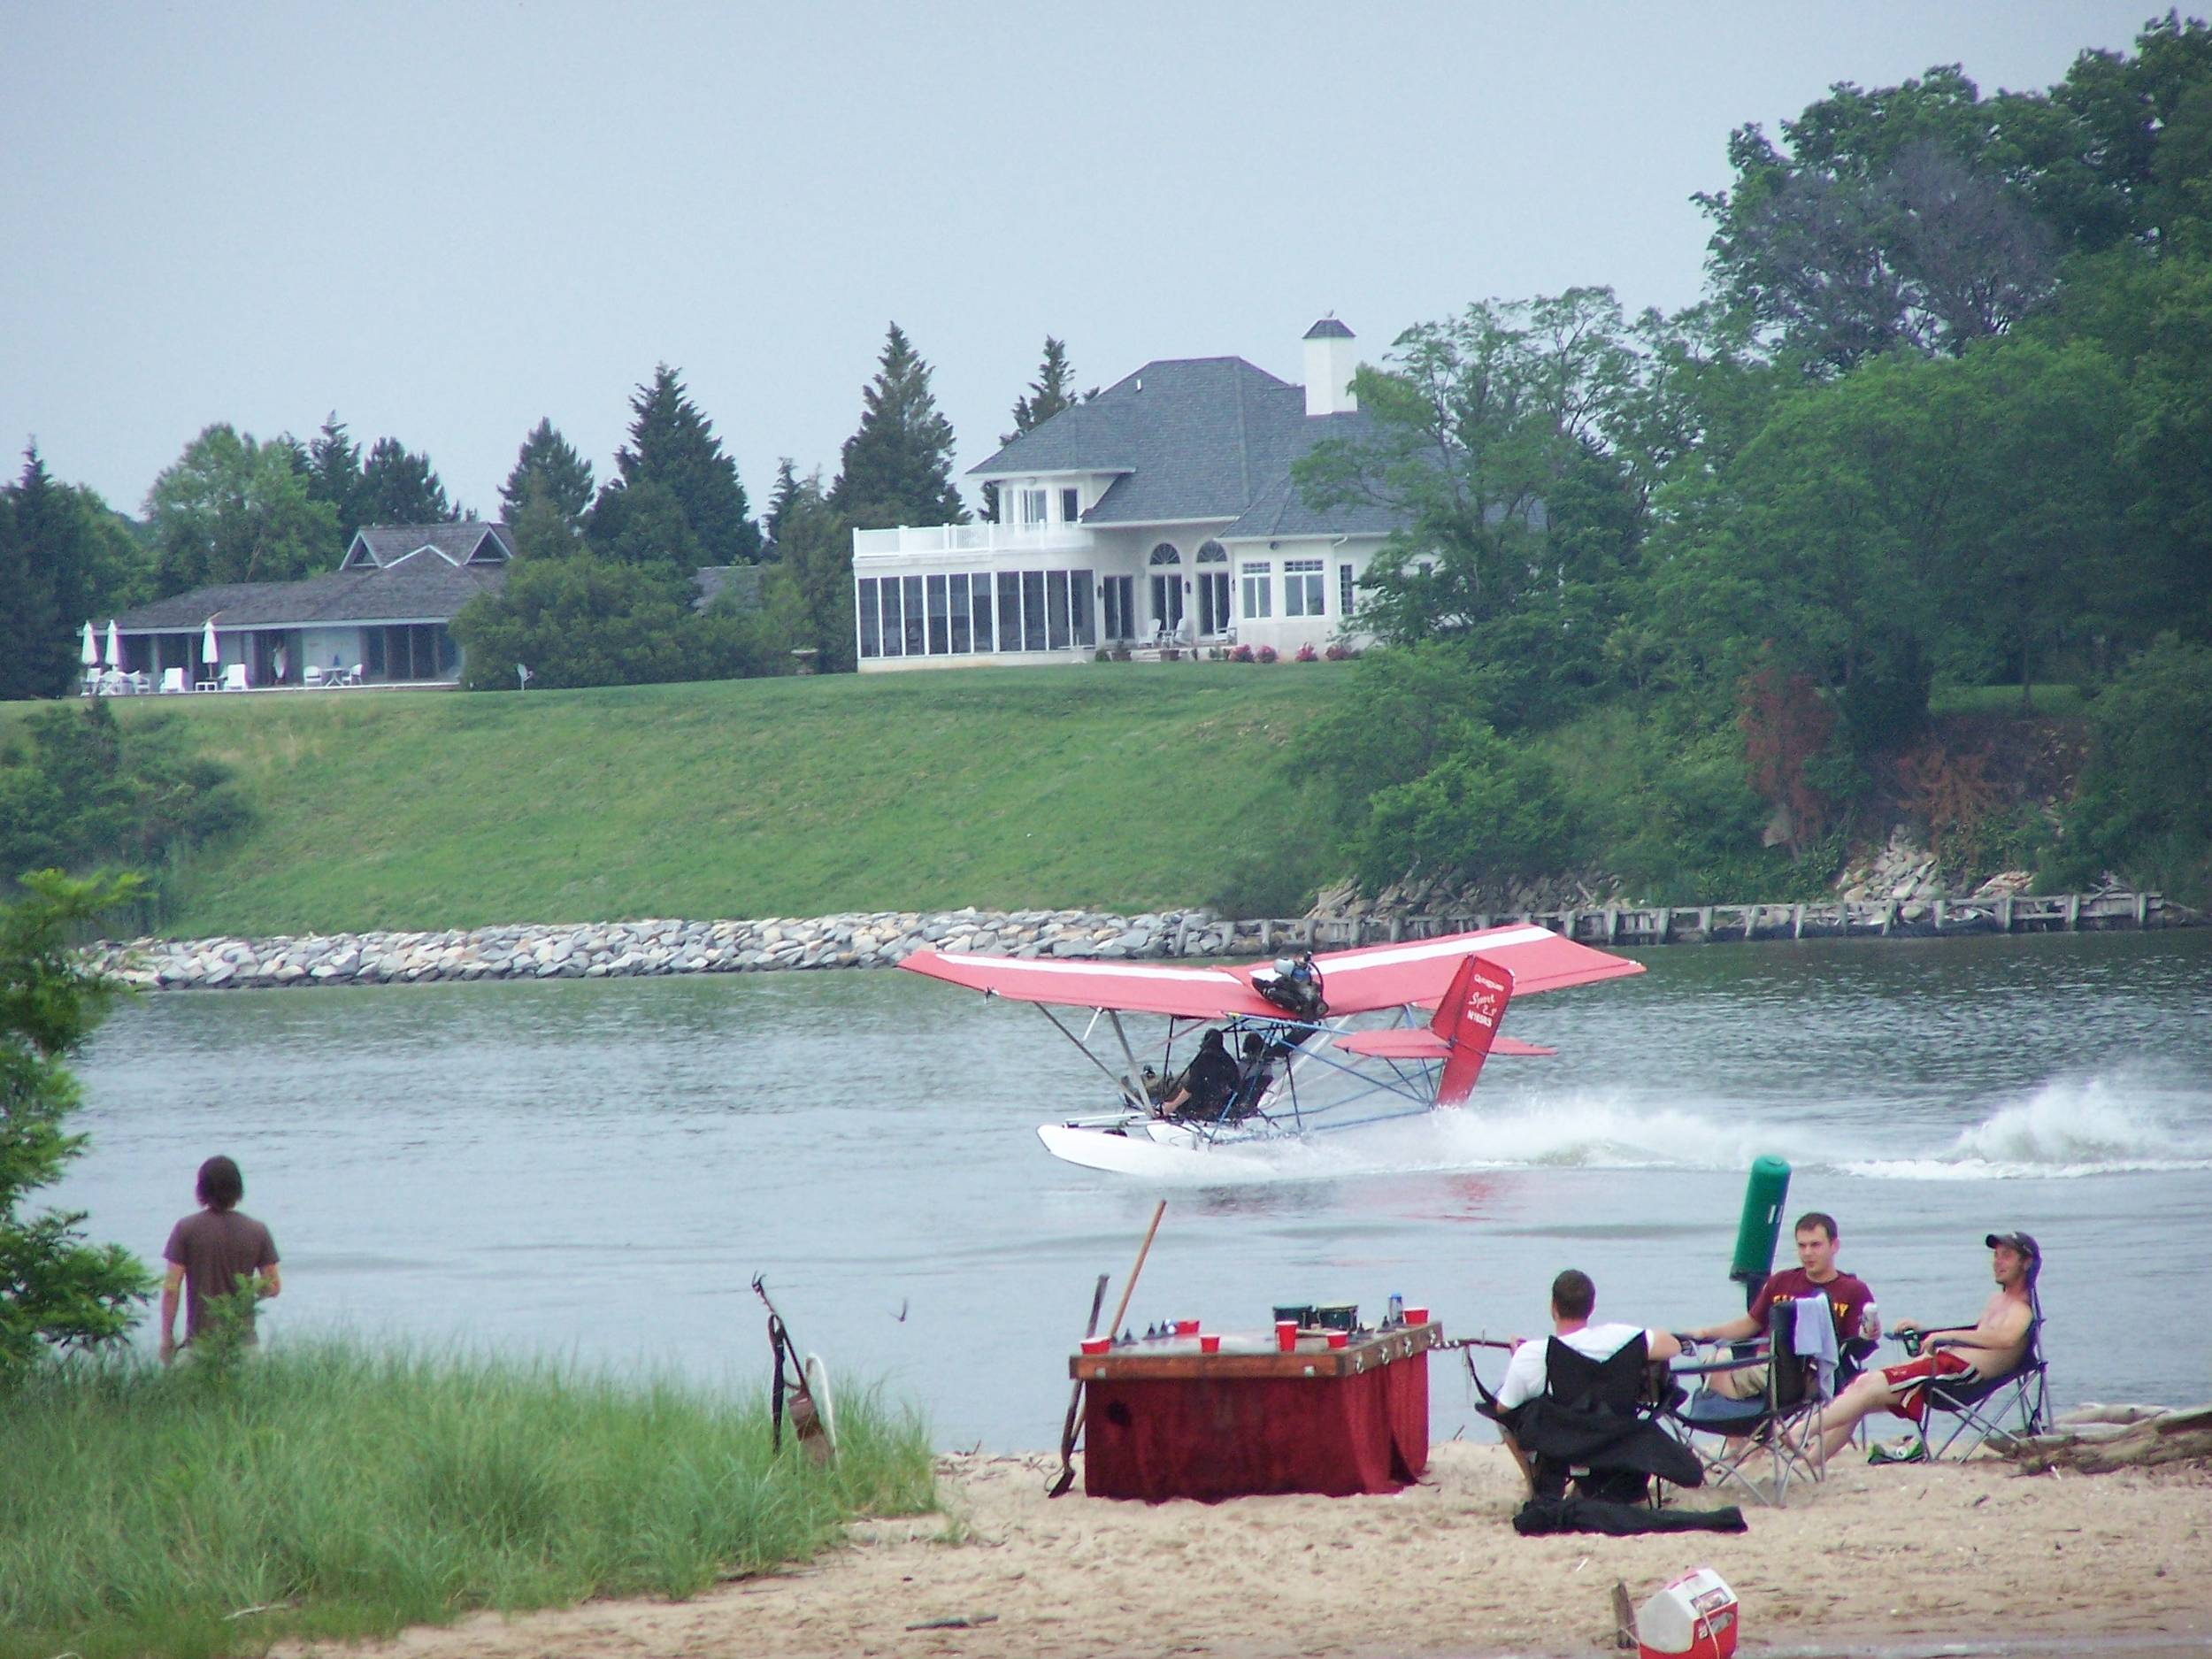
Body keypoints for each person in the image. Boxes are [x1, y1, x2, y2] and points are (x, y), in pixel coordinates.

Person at [1803, 1232, 2039, 1463]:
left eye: (2006, 1256)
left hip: (1958, 1379)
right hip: (1946, 1368)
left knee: (1867, 1386)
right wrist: (1926, 1332)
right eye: (1996, 1255)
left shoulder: (2022, 1310)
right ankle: (1809, 1462)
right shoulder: (1997, 1301)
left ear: (2026, 1263)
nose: (1997, 1262)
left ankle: (1798, 1433)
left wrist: (1944, 1336)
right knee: (1861, 1389)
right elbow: (1977, 1335)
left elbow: (2004, 1339)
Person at [1685, 1211, 1874, 1399]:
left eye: (1815, 1245)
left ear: (1834, 1246)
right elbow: (1750, 1324)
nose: (1807, 1253)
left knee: (1720, 1366)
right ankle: (1745, 1425)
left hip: (1809, 1373)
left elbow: (1859, 1351)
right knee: (1714, 1362)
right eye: (1802, 1246)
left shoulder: (1853, 1290)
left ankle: (1754, 1425)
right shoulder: (1781, 1281)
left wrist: (1870, 1334)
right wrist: (1705, 1332)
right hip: (1764, 1363)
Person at [1497, 1269, 1683, 1409]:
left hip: (1561, 1440)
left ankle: (1531, 1463)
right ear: (1592, 1307)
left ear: (1553, 1306)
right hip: (1616, 1433)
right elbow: (1673, 1346)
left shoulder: (1531, 1354)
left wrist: (1519, 1358)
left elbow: (1504, 1409)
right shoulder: (1618, 1337)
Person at [158, 1155, 280, 1363]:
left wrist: (167, 1338)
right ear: (238, 1189)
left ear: (201, 1190)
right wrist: (244, 1287)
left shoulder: (185, 1229)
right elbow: (273, 1287)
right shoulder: (257, 1230)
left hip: (199, 1345)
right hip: (245, 1345)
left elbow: (171, 1288)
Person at [1152, 1029, 1239, 1121]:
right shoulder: (1229, 1061)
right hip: (1224, 1106)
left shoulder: (1203, 1060)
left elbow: (1192, 1086)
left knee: (1167, 1091)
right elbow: (1236, 1084)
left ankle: (1162, 1109)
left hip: (1201, 1108)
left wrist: (1173, 1105)